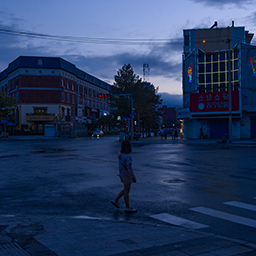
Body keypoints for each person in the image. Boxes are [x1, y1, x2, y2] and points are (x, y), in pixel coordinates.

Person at [111, 140, 137, 213]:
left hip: (122, 174)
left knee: (125, 189)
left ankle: (116, 200)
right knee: (127, 191)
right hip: (127, 175)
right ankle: (128, 207)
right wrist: (133, 177)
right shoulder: (128, 156)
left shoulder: (120, 155)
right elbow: (129, 168)